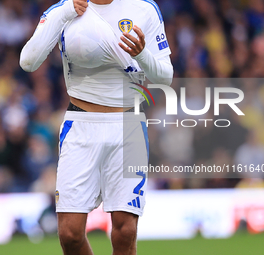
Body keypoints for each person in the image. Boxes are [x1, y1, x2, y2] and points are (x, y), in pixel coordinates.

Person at [20, 0, 173, 254]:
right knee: (69, 234)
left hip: (128, 126)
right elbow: (28, 62)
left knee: (126, 232)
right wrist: (66, 12)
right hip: (81, 125)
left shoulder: (143, 8)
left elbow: (165, 77)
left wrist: (142, 54)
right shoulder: (64, 10)